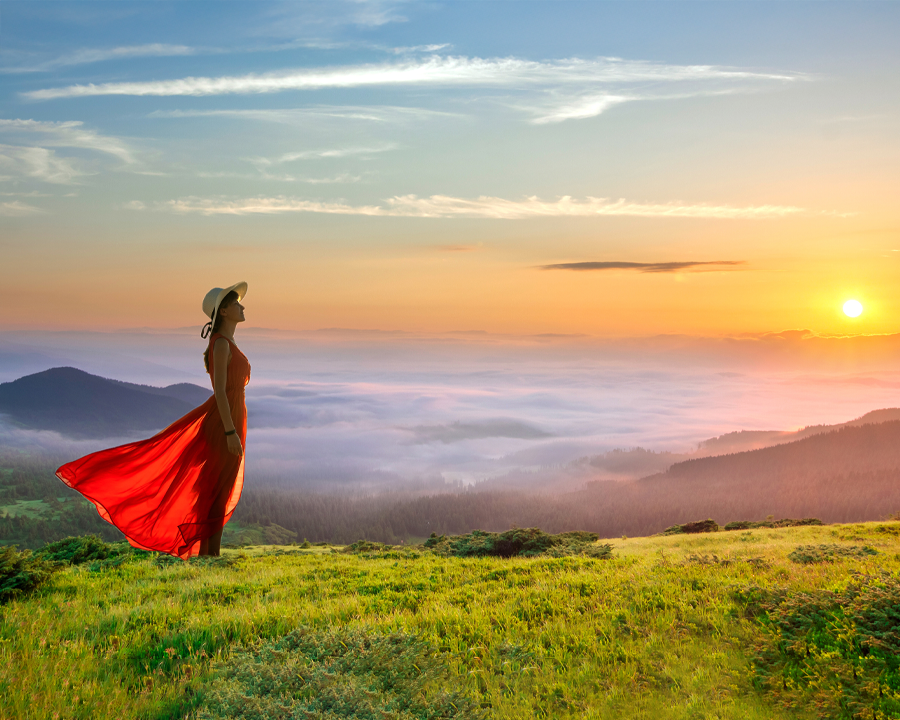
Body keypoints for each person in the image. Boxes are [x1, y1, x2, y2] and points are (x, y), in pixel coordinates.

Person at [56, 282, 251, 558]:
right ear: (224, 312)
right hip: (223, 423)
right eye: (236, 303)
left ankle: (209, 554)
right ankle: (210, 555)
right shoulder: (220, 344)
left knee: (217, 486)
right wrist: (230, 432)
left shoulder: (225, 342)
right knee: (216, 488)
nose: (242, 307)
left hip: (230, 418)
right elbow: (219, 391)